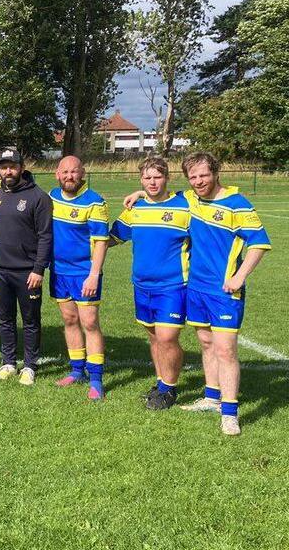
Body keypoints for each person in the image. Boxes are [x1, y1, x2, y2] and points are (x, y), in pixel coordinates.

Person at [125, 152, 270, 435]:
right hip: (196, 287)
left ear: (216, 173)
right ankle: (212, 397)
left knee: (226, 349)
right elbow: (163, 193)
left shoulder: (237, 203)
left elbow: (259, 243)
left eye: (204, 175)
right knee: (205, 342)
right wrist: (141, 191)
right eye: (193, 177)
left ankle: (230, 412)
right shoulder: (191, 200)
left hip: (225, 289)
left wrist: (239, 277)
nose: (199, 181)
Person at [110, 157, 190, 410]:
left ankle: (169, 390)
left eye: (157, 177)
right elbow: (113, 237)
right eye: (147, 178)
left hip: (173, 285)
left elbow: (205, 196)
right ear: (141, 180)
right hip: (142, 285)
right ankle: (160, 382)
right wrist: (82, 243)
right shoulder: (135, 209)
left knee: (167, 338)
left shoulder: (185, 205)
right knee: (154, 337)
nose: (153, 182)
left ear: (167, 177)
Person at [0, 149, 53, 386]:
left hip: (27, 272)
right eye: (3, 167)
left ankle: (30, 365)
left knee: (30, 320)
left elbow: (46, 236)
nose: (8, 171)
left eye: (12, 166)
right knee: (5, 318)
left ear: (21, 167)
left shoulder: (38, 197)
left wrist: (38, 269)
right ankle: (8, 362)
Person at [49, 156, 110, 400]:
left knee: (90, 322)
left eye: (74, 172)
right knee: (69, 319)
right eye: (65, 172)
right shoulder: (52, 197)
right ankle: (76, 371)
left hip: (84, 273)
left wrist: (94, 275)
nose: (69, 176)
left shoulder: (94, 202)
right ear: (57, 174)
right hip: (59, 271)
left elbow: (101, 242)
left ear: (82, 173)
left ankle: (96, 379)